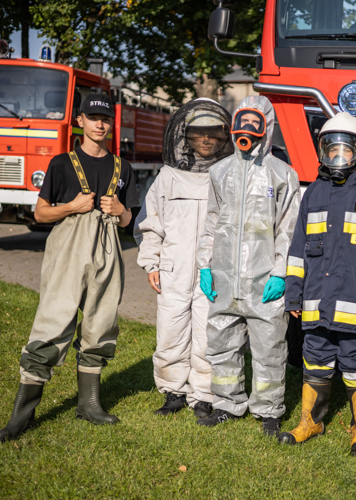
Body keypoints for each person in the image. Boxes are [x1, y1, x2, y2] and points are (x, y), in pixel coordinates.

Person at [0, 93, 139, 442]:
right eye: (93, 118)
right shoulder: (62, 164)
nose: (99, 124)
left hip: (108, 249)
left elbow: (129, 223)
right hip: (69, 248)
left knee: (101, 324)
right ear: (81, 121)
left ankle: (89, 405)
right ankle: (22, 416)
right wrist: (71, 206)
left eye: (105, 119)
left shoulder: (123, 168)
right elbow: (41, 214)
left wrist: (120, 209)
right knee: (53, 322)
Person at [277, 112, 356, 456]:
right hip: (317, 301)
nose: (337, 156)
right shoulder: (314, 192)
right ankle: (311, 421)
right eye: (330, 149)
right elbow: (297, 251)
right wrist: (294, 292)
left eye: (344, 150)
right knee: (314, 359)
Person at [195, 96, 300, 436]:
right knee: (222, 343)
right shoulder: (219, 171)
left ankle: (268, 410)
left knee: (269, 349)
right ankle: (228, 403)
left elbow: (289, 228)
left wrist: (281, 272)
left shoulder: (283, 175)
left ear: (265, 130)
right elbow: (211, 223)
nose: (247, 138)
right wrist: (205, 265)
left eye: (254, 132)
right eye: (241, 131)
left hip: (263, 278)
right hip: (225, 277)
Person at [134, 99, 233, 418]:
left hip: (213, 273)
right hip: (173, 269)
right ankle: (173, 391)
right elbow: (152, 222)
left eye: (213, 134)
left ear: (223, 137)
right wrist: (151, 262)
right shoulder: (168, 176)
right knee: (170, 332)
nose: (206, 140)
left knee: (208, 335)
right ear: (185, 137)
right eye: (198, 134)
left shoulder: (230, 176)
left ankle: (203, 395)